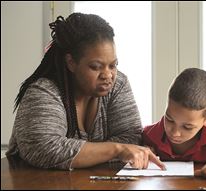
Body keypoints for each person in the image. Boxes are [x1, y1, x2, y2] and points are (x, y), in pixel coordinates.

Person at [6, 12, 165, 171]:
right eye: (95, 67)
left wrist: (113, 150)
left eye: (113, 65)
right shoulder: (43, 92)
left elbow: (131, 138)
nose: (108, 75)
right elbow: (44, 149)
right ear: (71, 63)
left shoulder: (118, 84)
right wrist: (116, 150)